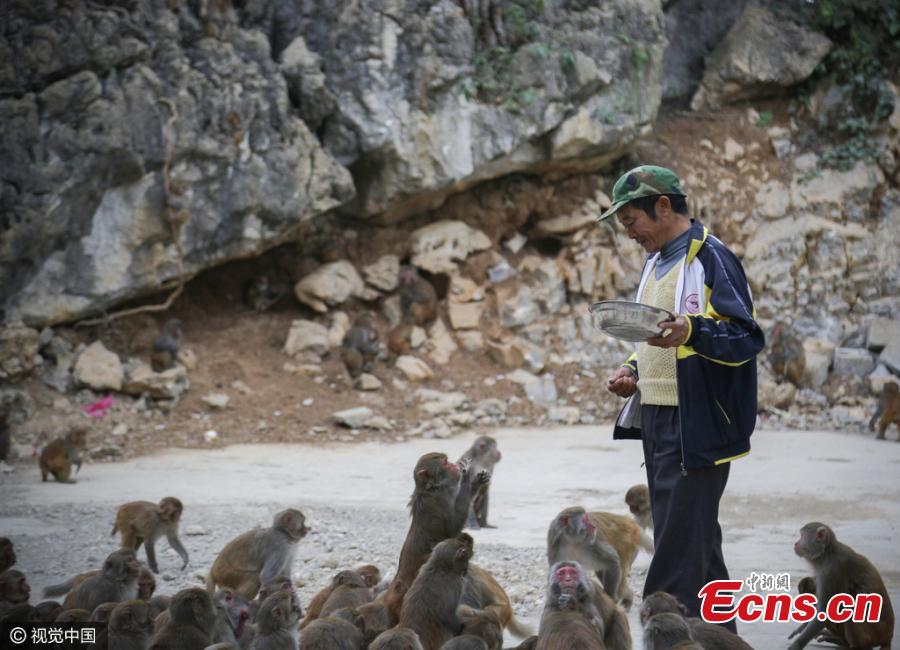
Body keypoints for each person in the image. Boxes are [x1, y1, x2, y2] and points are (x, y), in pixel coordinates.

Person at [598, 165, 765, 631]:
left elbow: (745, 337)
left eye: (632, 221)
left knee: (673, 553)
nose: (629, 233)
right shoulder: (656, 262)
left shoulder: (712, 259)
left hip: (697, 424)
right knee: (698, 542)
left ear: (664, 206)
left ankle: (663, 633)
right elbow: (653, 337)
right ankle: (721, 638)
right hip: (659, 419)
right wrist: (632, 371)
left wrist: (691, 330)